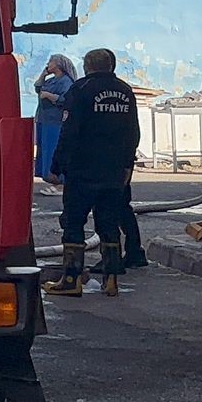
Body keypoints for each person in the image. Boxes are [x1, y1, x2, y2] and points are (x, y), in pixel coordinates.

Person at [45, 48, 141, 298]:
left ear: (88, 66)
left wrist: (57, 166)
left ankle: (71, 279)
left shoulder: (80, 90)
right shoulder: (125, 91)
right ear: (110, 66)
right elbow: (133, 132)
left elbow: (69, 131)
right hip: (113, 170)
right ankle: (111, 280)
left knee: (74, 222)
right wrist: (127, 165)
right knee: (109, 222)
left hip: (83, 168)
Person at [32, 54, 77, 196]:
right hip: (44, 119)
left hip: (55, 121)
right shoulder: (51, 80)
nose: (48, 64)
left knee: (54, 149)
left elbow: (66, 99)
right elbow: (38, 88)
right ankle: (51, 179)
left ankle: (59, 181)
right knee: (45, 150)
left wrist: (49, 96)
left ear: (58, 65)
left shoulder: (65, 81)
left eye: (50, 62)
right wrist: (43, 75)